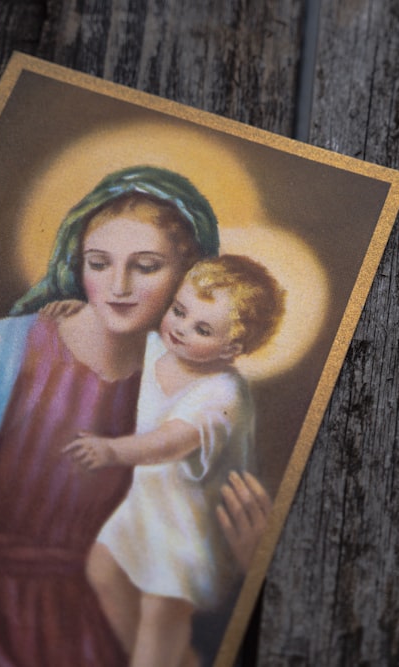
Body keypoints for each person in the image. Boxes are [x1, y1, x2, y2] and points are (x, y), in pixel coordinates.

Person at [0, 166, 265, 666]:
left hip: (94, 631)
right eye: (99, 262)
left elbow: (202, 547)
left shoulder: (193, 395)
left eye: (146, 266)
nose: (119, 286)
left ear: (190, 275)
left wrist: (250, 560)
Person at [64, 255, 284, 667]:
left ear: (233, 348)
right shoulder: (149, 349)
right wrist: (74, 317)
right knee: (101, 569)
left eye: (202, 329)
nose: (180, 328)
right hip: (139, 507)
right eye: (179, 311)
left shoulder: (223, 393)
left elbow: (171, 442)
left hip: (188, 529)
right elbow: (101, 344)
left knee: (161, 612)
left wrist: (112, 451)